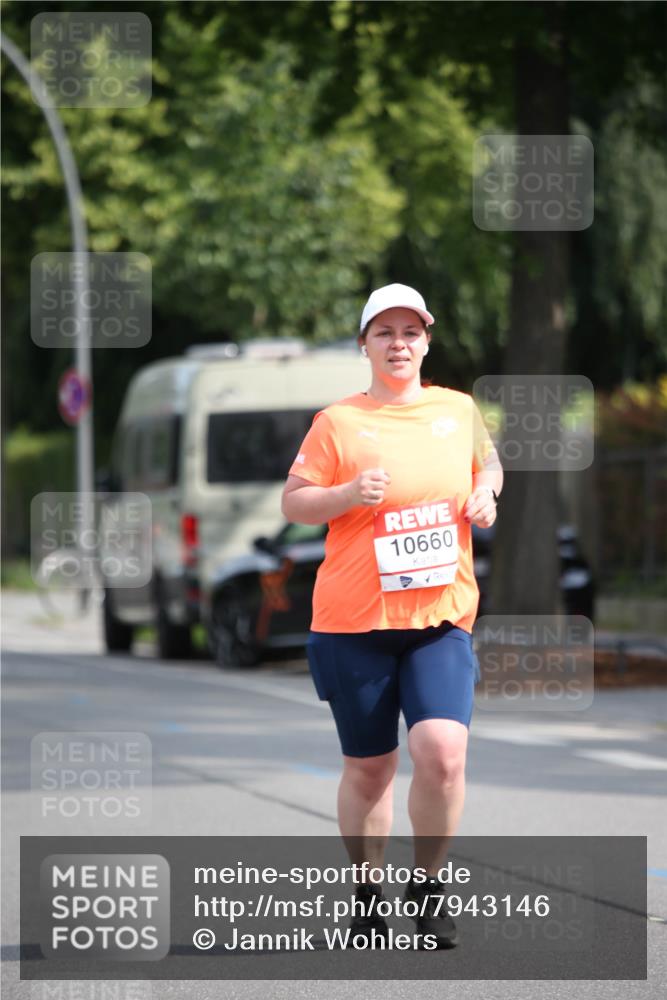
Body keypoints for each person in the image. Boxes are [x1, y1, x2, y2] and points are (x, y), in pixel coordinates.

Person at [281, 283, 502, 948]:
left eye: (410, 332)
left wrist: (486, 493)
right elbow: (296, 502)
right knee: (370, 768)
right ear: (364, 345)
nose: (398, 343)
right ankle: (367, 891)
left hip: (440, 616)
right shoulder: (337, 422)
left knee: (441, 753)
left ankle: (428, 888)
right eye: (384, 333)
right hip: (353, 624)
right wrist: (346, 493)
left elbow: (487, 463)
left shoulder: (457, 409)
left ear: (426, 341)